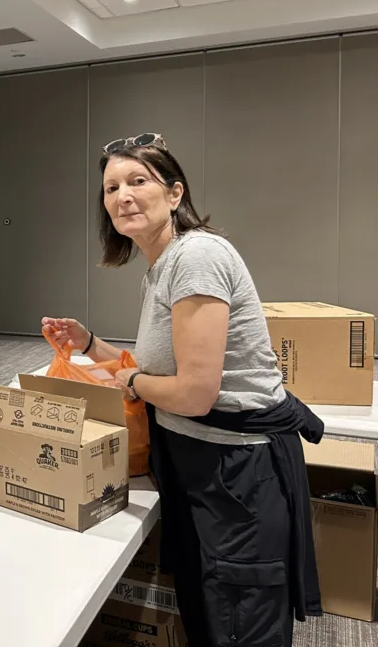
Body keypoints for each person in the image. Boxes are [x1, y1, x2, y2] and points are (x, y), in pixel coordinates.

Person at [42, 133, 321, 647]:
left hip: (237, 471)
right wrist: (89, 344)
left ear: (175, 193)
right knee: (205, 608)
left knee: (240, 620)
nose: (122, 195)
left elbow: (194, 394)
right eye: (111, 187)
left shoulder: (196, 257)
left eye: (137, 181)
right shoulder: (159, 266)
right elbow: (153, 370)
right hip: (194, 458)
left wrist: (128, 380)